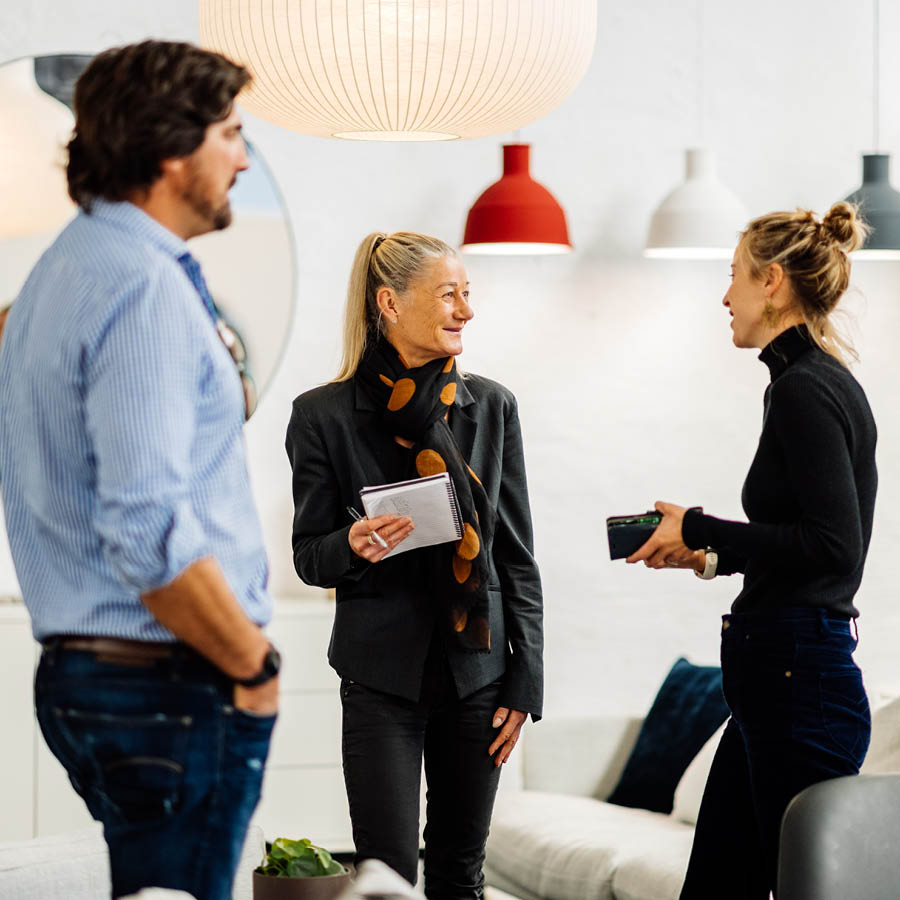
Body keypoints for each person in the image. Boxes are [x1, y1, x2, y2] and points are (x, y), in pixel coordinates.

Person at [0, 41, 280, 900]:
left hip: (94, 674)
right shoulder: (143, 287)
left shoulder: (58, 272)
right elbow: (147, 528)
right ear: (171, 148)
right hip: (167, 679)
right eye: (230, 133)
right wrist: (253, 667)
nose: (241, 155)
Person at [629, 203, 877, 899]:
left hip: (800, 683)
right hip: (779, 683)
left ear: (772, 282)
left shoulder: (806, 389)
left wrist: (703, 530)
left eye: (733, 275)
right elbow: (803, 541)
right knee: (716, 886)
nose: (724, 294)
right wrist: (703, 553)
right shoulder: (802, 383)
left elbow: (832, 546)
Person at [285, 232, 544, 898]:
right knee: (387, 875)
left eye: (468, 293)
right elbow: (311, 554)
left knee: (461, 869)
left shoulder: (491, 407)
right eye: (450, 294)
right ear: (390, 304)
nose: (466, 310)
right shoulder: (323, 416)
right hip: (380, 680)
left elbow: (516, 556)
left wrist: (526, 682)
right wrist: (354, 542)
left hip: (479, 674)